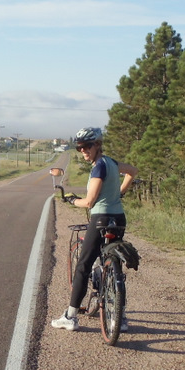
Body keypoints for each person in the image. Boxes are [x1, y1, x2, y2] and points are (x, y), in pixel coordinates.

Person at [51, 127, 138, 331]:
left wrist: (72, 200)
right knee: (112, 259)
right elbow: (133, 171)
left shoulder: (99, 166)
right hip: (119, 218)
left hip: (101, 218)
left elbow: (90, 202)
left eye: (87, 146)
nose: (83, 151)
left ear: (97, 145)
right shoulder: (113, 163)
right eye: (79, 147)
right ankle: (120, 317)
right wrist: (119, 193)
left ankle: (70, 317)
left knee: (83, 265)